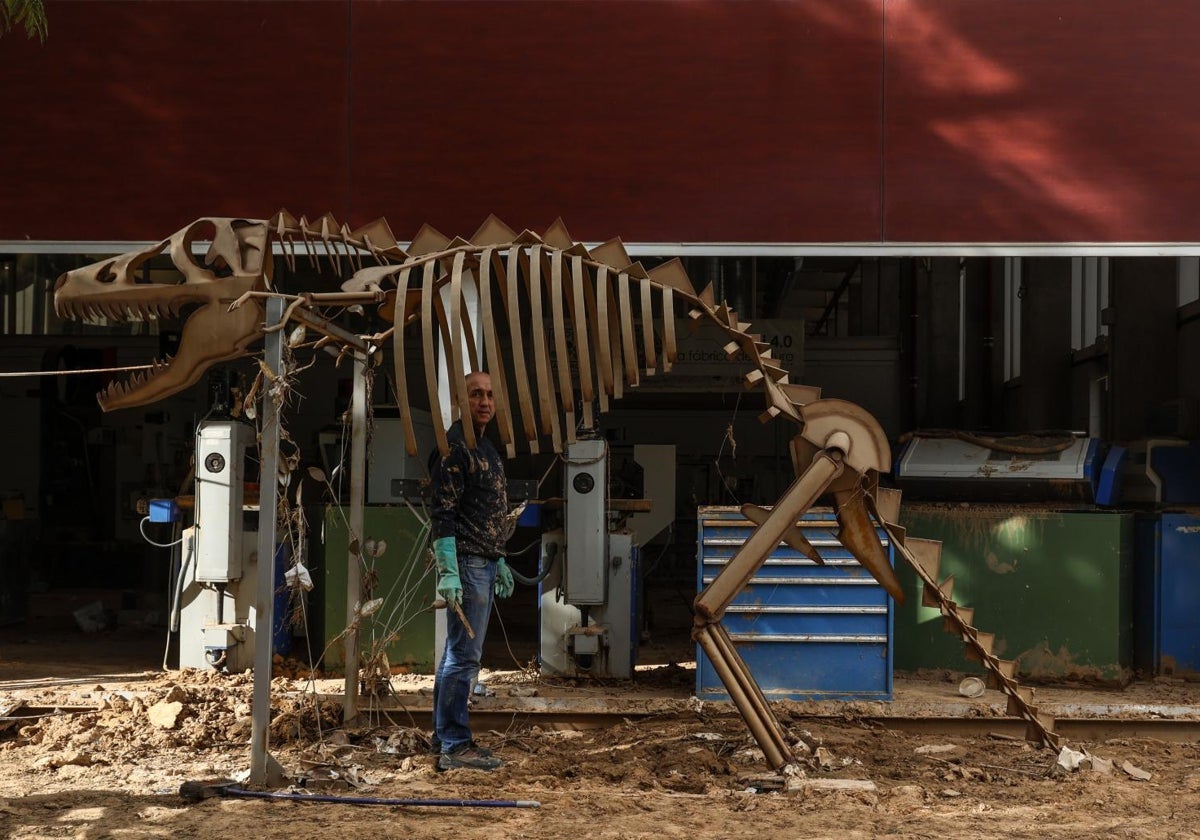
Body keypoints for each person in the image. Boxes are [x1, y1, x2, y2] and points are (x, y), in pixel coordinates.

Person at [429, 371, 515, 771]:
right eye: (476, 394)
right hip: (465, 563)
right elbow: (442, 513)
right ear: (461, 402)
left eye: (490, 394)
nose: (484, 401)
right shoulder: (455, 449)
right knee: (464, 658)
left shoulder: (487, 449)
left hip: (483, 561)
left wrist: (500, 558)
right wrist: (449, 570)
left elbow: (486, 509)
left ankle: (443, 738)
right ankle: (455, 745)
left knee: (455, 655)